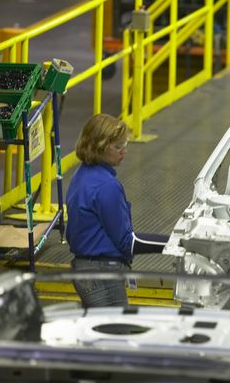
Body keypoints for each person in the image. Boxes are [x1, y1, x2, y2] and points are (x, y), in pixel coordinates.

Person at [66, 113, 167, 307]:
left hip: (84, 270)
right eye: (118, 147)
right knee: (115, 326)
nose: (124, 151)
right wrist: (174, 243)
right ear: (100, 148)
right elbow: (128, 242)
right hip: (103, 275)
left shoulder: (81, 175)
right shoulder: (107, 186)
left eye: (125, 145)